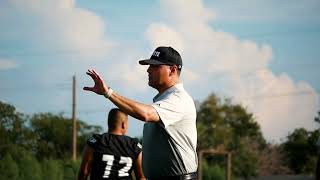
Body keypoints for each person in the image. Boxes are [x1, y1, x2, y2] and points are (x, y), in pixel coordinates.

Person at [84, 46, 198, 180]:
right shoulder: (165, 99)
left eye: (155, 66)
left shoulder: (179, 99)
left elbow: (146, 114)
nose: (149, 70)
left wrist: (108, 93)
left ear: (172, 70)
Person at [78, 108, 145, 180]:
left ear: (109, 123)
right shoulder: (134, 145)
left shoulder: (95, 141)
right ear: (123, 125)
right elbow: (141, 177)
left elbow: (84, 172)